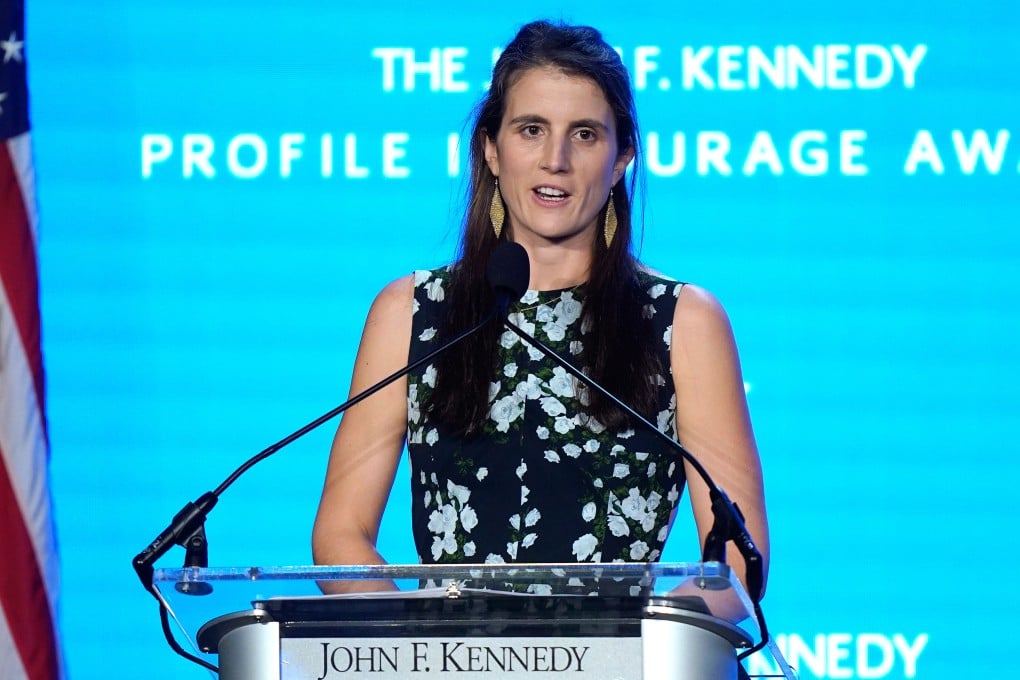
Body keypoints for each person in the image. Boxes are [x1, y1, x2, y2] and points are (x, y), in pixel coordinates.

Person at [312, 20, 769, 599]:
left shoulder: (684, 321)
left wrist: (641, 645)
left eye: (584, 134)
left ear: (622, 156)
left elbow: (735, 561)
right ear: (491, 148)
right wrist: (417, 645)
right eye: (531, 129)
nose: (555, 159)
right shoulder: (411, 312)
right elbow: (340, 535)